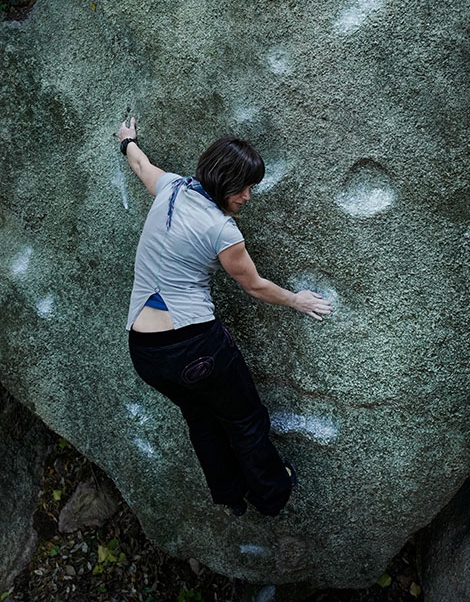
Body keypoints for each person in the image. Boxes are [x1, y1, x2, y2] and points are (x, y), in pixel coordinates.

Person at [118, 115, 332, 517]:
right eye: (246, 187)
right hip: (195, 347)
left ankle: (231, 496)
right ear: (224, 180)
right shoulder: (223, 231)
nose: (249, 197)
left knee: (200, 418)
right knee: (245, 420)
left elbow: (140, 165)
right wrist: (299, 301)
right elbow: (254, 285)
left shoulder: (171, 188)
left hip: (144, 351)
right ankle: (272, 493)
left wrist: (127, 140)